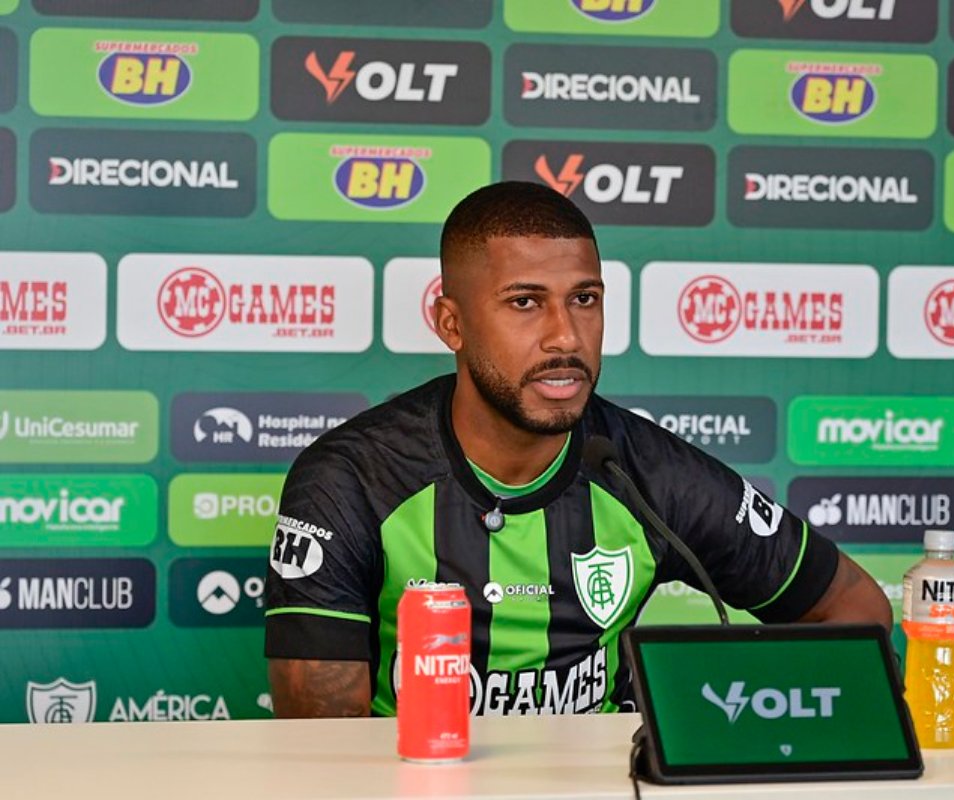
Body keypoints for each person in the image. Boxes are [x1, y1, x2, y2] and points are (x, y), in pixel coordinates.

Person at [265, 181, 892, 718]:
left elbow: (854, 608)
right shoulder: (351, 479)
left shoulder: (647, 469)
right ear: (451, 324)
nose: (565, 336)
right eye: (525, 302)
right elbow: (325, 742)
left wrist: (721, 717)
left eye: (584, 300)